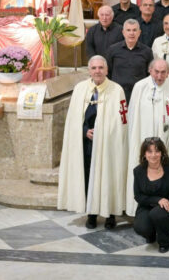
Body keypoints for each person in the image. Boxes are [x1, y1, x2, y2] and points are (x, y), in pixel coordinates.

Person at [57, 56, 128, 230]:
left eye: (101, 68)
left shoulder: (116, 90)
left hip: (109, 145)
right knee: (89, 178)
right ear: (89, 70)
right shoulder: (80, 89)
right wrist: (84, 132)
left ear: (106, 70)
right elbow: (73, 120)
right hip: (86, 145)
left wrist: (105, 133)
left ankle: (111, 214)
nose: (97, 71)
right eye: (94, 68)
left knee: (109, 176)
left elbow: (122, 122)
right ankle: (92, 214)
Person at [126, 59, 169, 215]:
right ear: (150, 70)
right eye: (156, 72)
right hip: (144, 139)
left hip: (168, 138)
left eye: (163, 72)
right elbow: (133, 117)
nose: (159, 76)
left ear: (168, 72)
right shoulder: (140, 87)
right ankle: (143, 207)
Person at [132, 137, 169, 253]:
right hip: (148, 205)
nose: (153, 155)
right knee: (141, 228)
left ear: (162, 153)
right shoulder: (138, 171)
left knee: (157, 213)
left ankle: (164, 241)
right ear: (144, 153)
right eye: (149, 151)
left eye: (157, 151)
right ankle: (151, 233)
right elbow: (138, 196)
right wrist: (158, 200)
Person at [105, 19, 153, 102]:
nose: (131, 33)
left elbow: (150, 75)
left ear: (139, 32)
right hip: (116, 94)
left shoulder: (147, 51)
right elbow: (107, 72)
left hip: (139, 95)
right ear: (123, 32)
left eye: (134, 30)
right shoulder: (112, 50)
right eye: (128, 30)